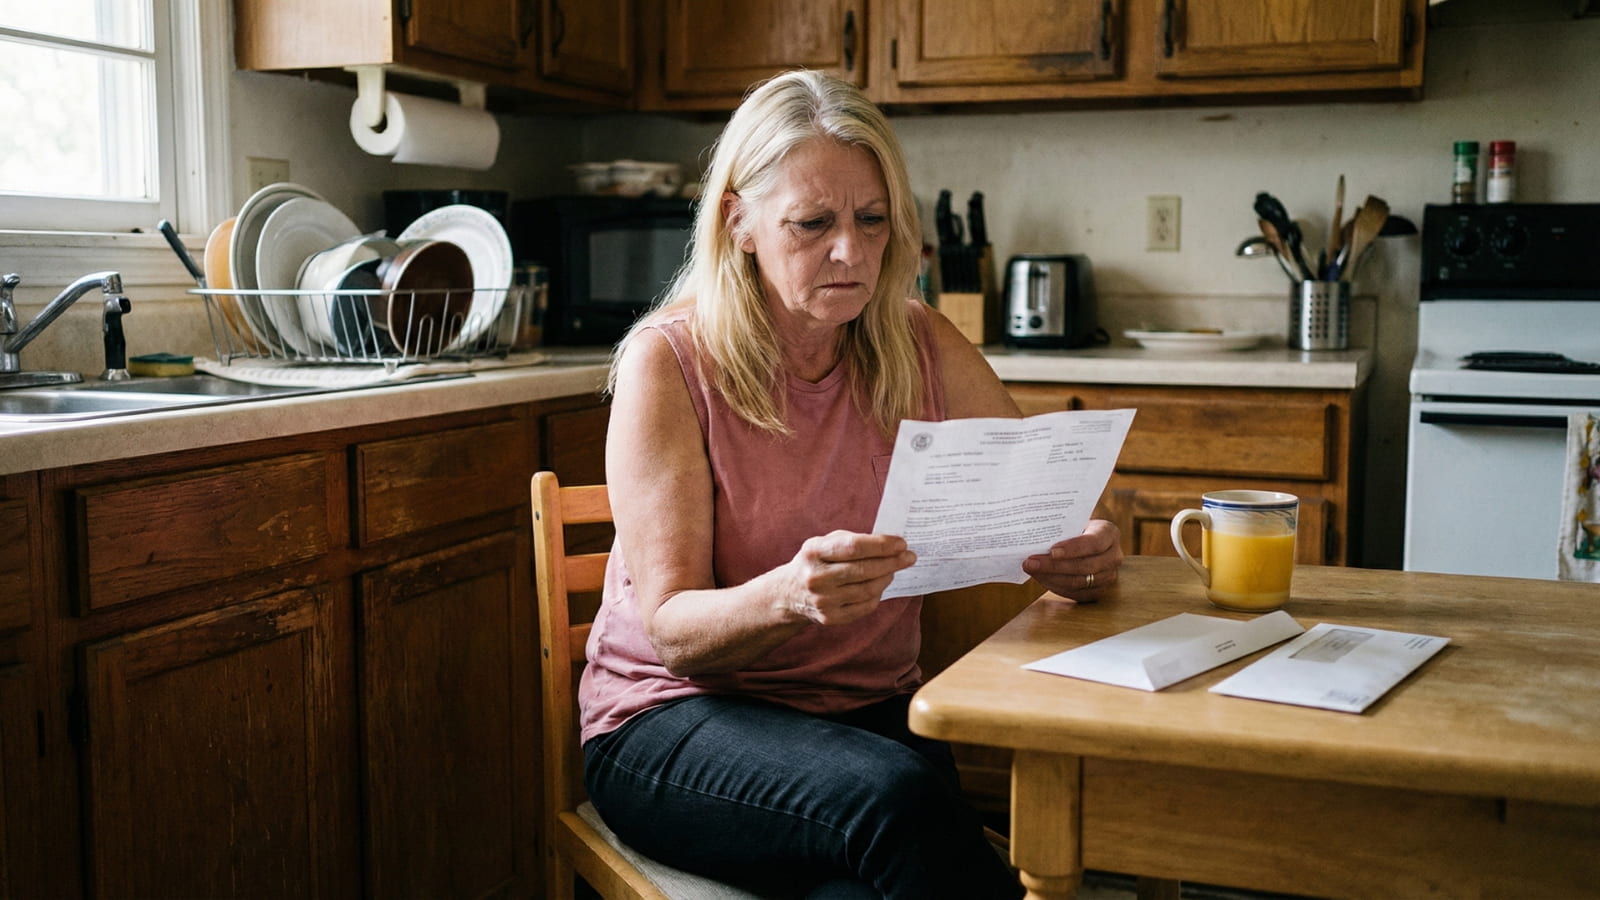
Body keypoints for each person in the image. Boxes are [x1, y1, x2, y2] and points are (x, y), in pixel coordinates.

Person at [582, 69, 1124, 899]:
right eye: (813, 224)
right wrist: (788, 597)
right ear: (740, 223)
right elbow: (672, 632)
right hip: (676, 721)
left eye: (872, 221)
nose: (851, 251)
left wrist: (1082, 550)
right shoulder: (671, 362)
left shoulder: (919, 341)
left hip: (867, 719)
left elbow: (1057, 500)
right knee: (900, 804)